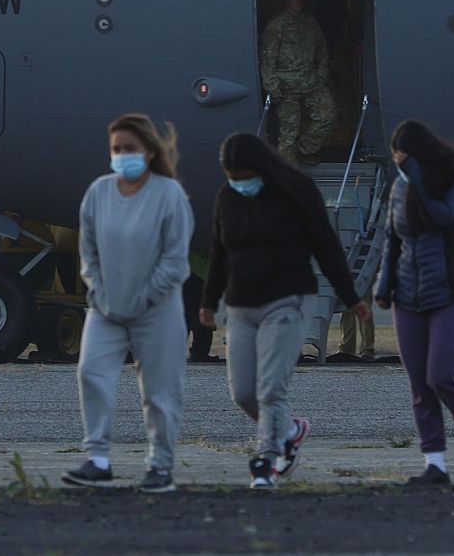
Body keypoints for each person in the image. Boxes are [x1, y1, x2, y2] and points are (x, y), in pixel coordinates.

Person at [199, 133, 370, 488]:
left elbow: (326, 246)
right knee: (244, 393)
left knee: (270, 388)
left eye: (244, 175)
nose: (238, 183)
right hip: (241, 304)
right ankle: (290, 429)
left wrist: (350, 296)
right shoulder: (227, 197)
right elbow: (219, 251)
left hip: (287, 299)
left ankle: (265, 460)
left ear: (260, 168)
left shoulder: (296, 192)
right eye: (231, 176)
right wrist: (207, 301)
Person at [62, 114, 193, 494]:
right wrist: (100, 293)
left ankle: (160, 465)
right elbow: (88, 251)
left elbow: (175, 260)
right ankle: (98, 459)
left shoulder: (169, 196)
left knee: (160, 390)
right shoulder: (98, 193)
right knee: (91, 372)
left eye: (130, 149)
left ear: (149, 153)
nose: (122, 156)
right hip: (105, 309)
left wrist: (145, 297)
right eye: (116, 150)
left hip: (157, 309)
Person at [375, 120, 454, 486]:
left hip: (448, 292)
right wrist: (384, 284)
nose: (400, 165)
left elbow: (444, 216)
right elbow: (393, 239)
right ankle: (435, 463)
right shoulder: (399, 186)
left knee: (441, 374)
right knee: (419, 385)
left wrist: (417, 180)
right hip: (407, 297)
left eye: (404, 158)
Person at [259, 0, 335, 165]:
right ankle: (287, 172)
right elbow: (267, 57)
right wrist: (272, 85)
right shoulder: (276, 25)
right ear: (286, 0)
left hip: (311, 82)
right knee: (288, 133)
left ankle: (304, 150)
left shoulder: (310, 22)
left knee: (327, 116)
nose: (299, 1)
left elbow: (322, 49)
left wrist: (322, 74)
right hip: (287, 87)